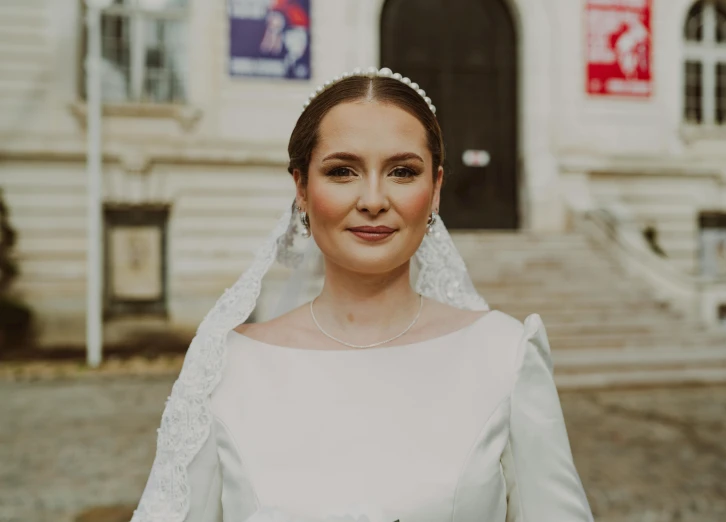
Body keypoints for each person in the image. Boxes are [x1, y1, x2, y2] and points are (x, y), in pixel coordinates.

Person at [129, 67, 594, 522]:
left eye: (403, 172)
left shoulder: (504, 355)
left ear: (435, 190)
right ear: (302, 190)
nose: (373, 199)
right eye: (343, 171)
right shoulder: (227, 367)